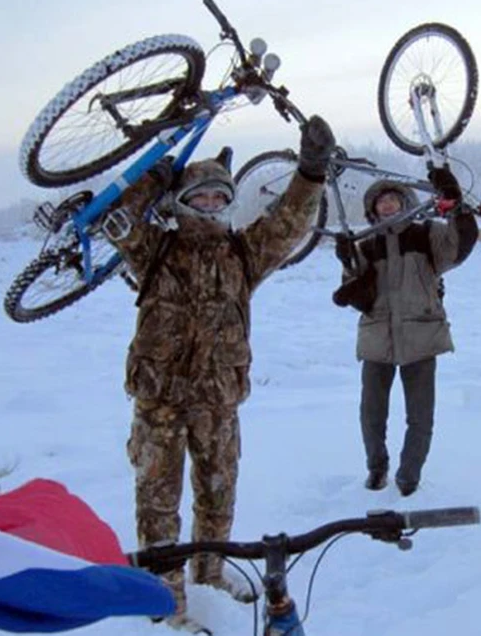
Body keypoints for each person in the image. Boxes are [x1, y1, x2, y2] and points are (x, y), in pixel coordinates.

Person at [106, 116, 335, 633]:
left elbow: (288, 223)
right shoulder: (155, 248)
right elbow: (115, 216)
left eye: (218, 197)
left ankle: (209, 578)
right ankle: (166, 599)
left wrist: (312, 172)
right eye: (200, 197)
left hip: (219, 403)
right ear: (182, 201)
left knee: (218, 497)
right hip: (159, 403)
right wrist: (155, 175)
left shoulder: (241, 253)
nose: (210, 205)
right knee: (158, 506)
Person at [333, 166, 478, 496]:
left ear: (405, 202)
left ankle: (409, 476)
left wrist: (454, 200)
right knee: (371, 414)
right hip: (377, 339)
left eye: (393, 199)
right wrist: (348, 266)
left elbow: (461, 242)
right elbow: (358, 292)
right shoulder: (366, 246)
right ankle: (376, 468)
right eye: (380, 201)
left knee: (420, 416)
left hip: (421, 336)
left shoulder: (427, 235)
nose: (387, 205)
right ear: (372, 209)